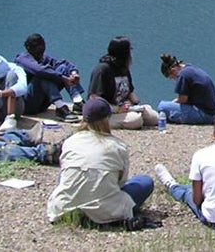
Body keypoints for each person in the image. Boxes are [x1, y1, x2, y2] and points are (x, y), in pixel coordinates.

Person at [46, 96, 155, 227]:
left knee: (66, 174)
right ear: (107, 119)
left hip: (63, 208)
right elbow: (121, 182)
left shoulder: (70, 142)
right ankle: (99, 212)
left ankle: (76, 208)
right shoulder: (118, 146)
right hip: (105, 211)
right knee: (145, 182)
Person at [88, 36, 158, 130]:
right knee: (135, 120)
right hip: (106, 113)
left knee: (154, 118)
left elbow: (130, 92)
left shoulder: (123, 68)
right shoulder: (102, 70)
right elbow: (94, 98)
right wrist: (116, 109)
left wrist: (137, 105)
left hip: (125, 108)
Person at [15, 33, 84, 122]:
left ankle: (78, 101)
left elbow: (63, 63)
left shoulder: (43, 58)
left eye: (42, 51)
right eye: (38, 51)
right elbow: (39, 70)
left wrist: (74, 73)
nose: (41, 54)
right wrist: (63, 78)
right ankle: (61, 108)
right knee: (43, 75)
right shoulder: (22, 59)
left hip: (42, 103)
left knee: (62, 68)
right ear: (29, 48)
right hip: (28, 104)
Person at [156, 53, 215, 125]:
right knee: (168, 106)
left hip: (203, 115)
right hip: (212, 114)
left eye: (172, 77)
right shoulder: (190, 68)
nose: (174, 79)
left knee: (162, 106)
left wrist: (172, 103)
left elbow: (183, 100)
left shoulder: (183, 75)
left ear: (172, 70)